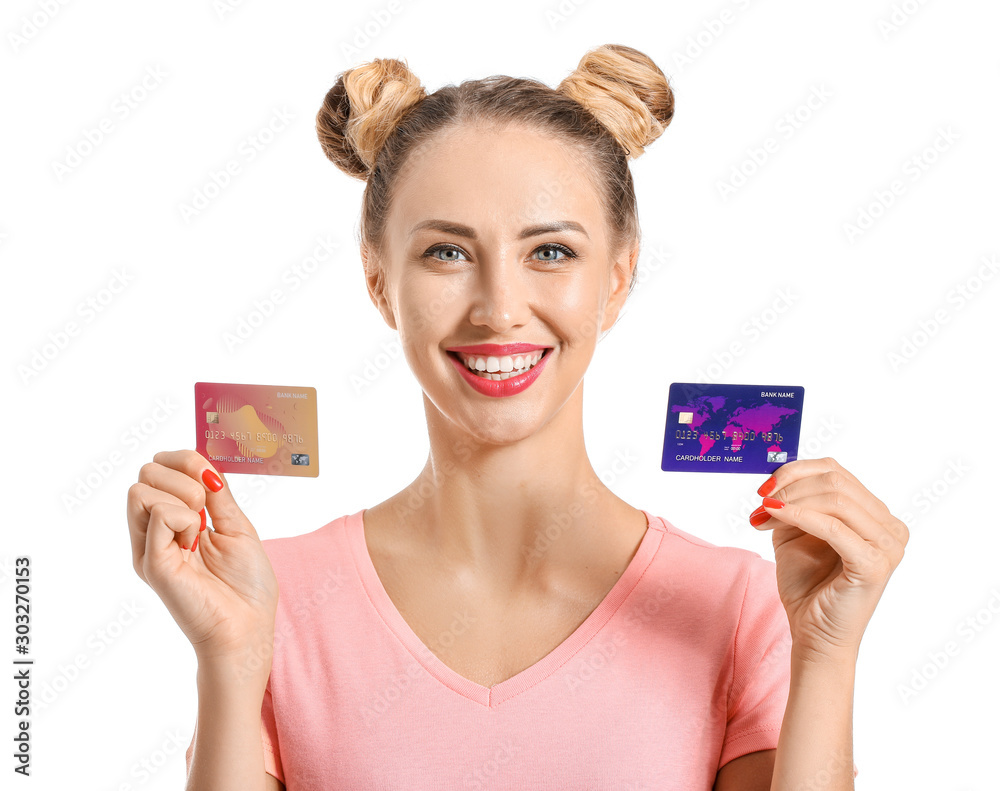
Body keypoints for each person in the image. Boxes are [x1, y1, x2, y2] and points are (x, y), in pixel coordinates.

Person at [126, 43, 908, 790]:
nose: (500, 309)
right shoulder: (270, 596)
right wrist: (230, 656)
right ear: (377, 282)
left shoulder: (741, 605)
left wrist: (829, 650)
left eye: (552, 252)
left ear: (617, 279)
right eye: (446, 253)